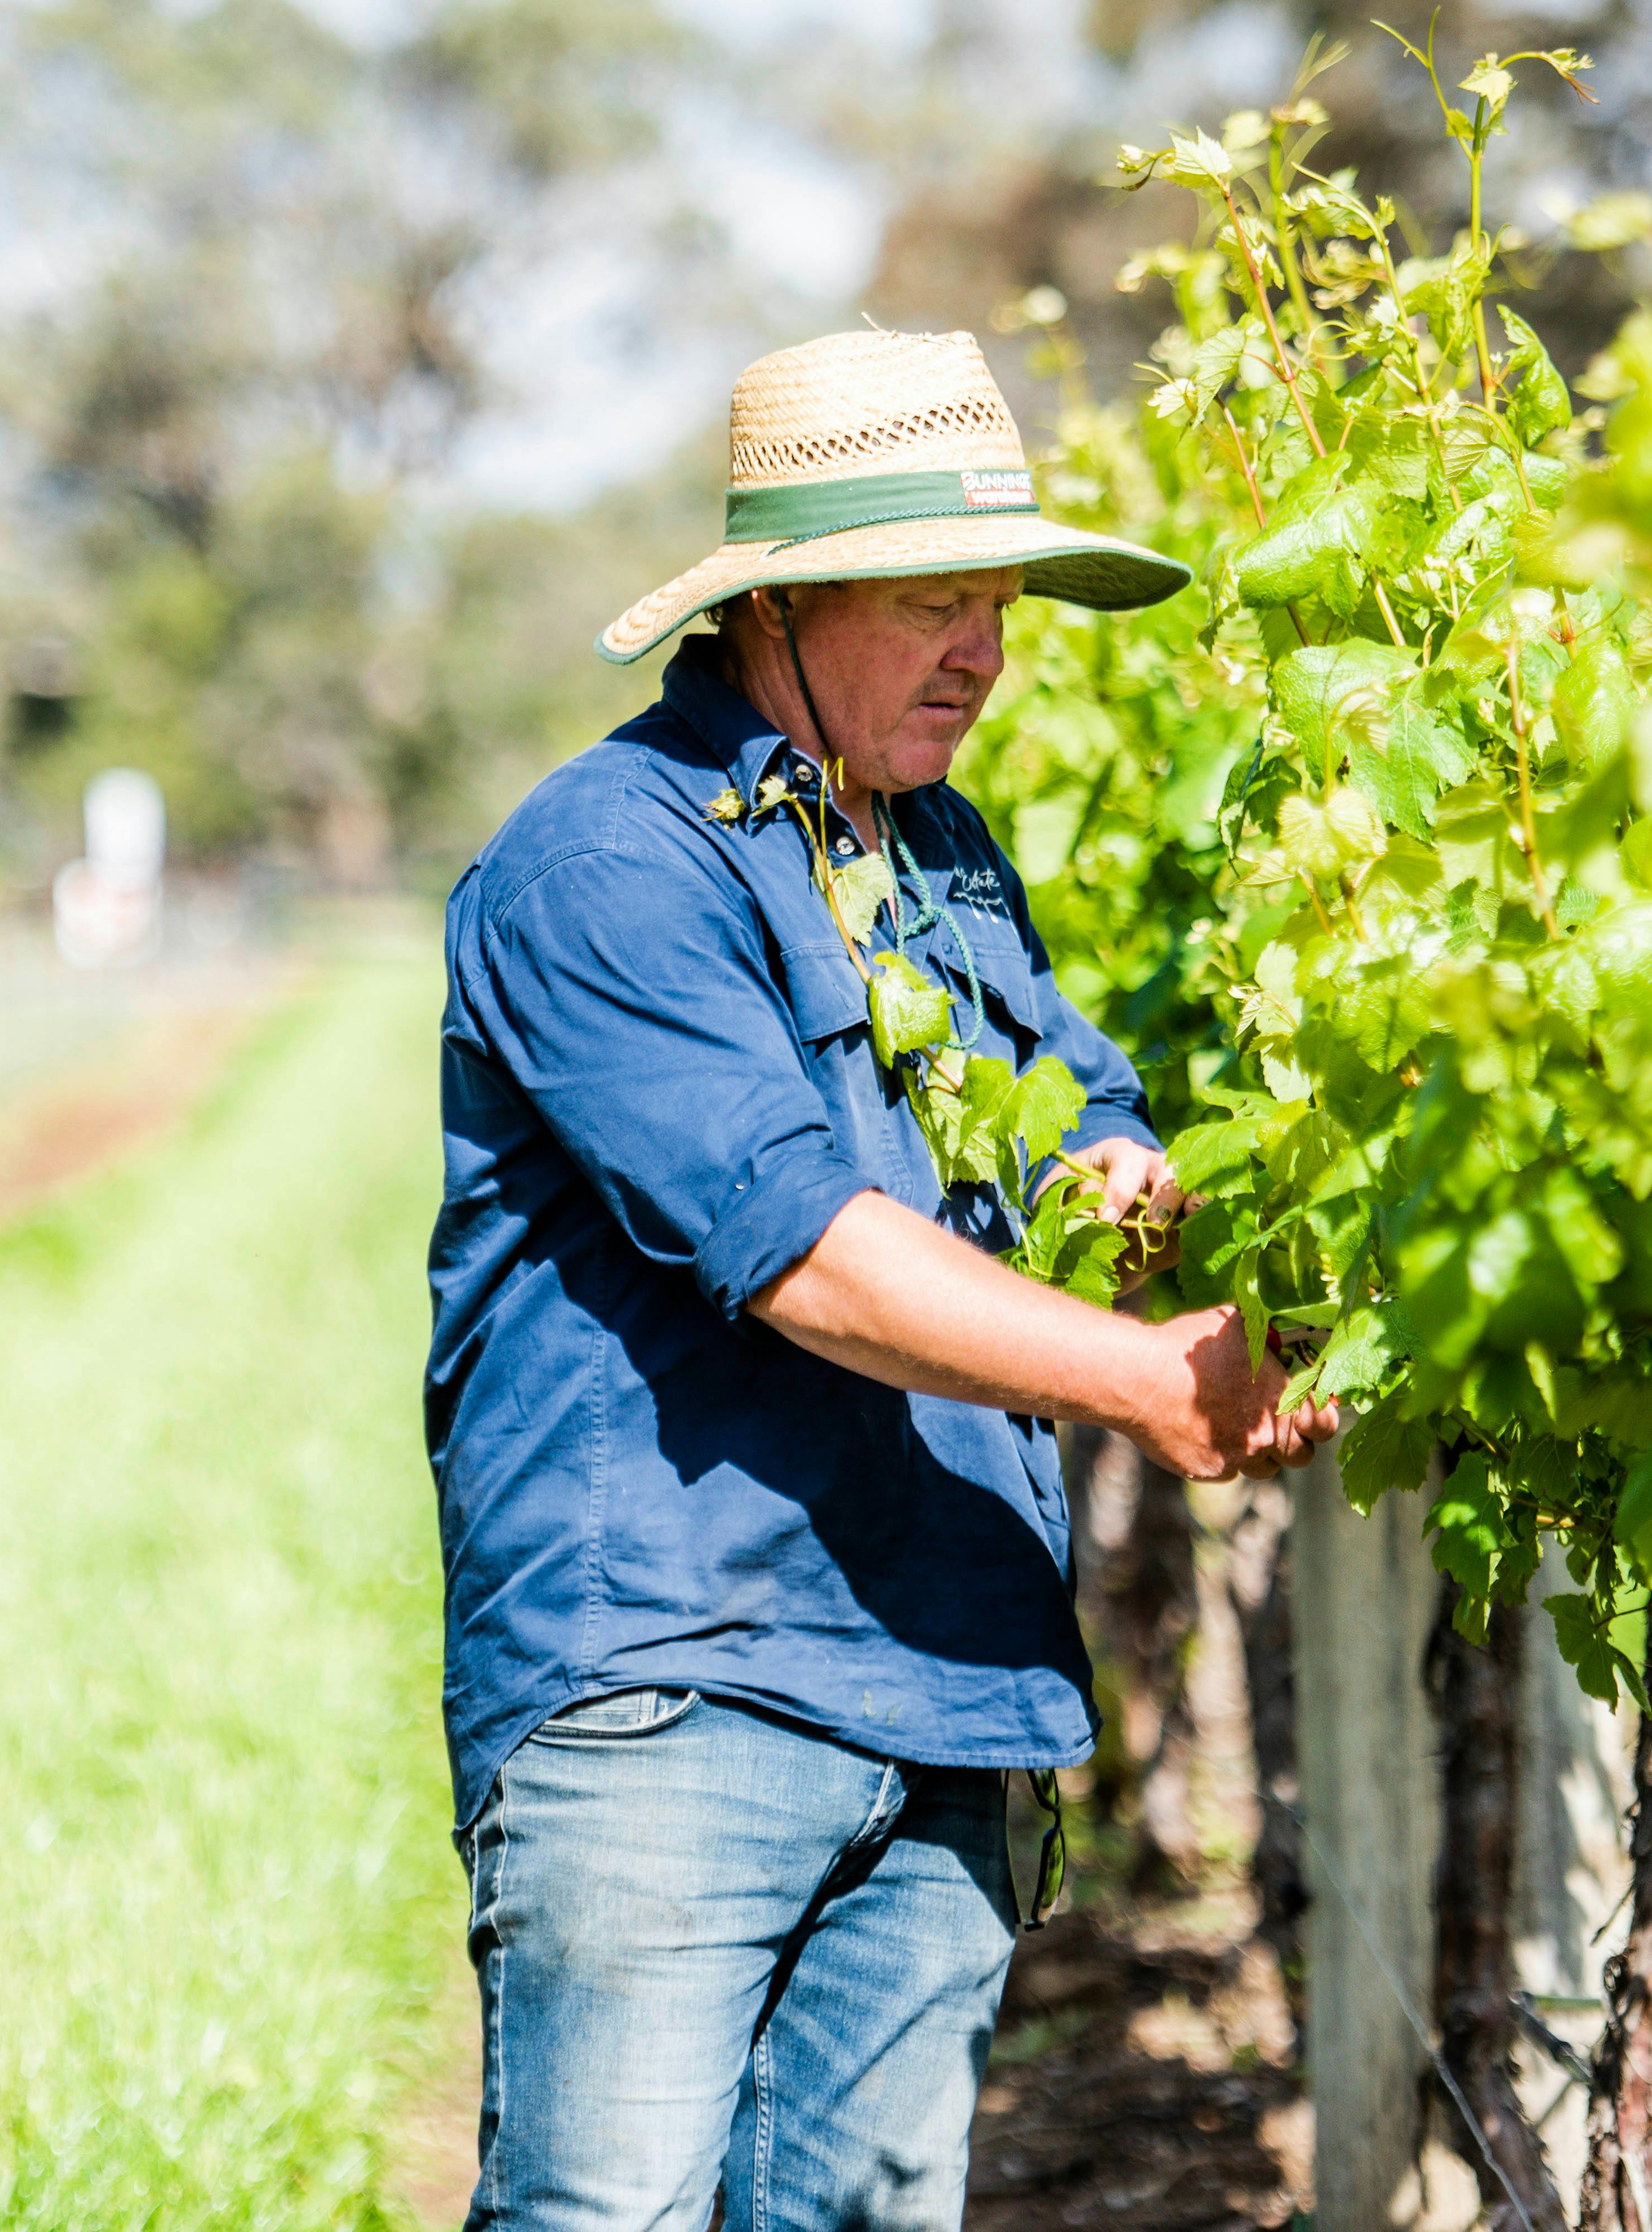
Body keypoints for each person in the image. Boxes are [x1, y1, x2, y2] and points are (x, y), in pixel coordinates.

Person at [427, 328, 1343, 2231]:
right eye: (936, 601)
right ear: (783, 606)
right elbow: (798, 1251)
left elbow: (1091, 1130)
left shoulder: (941, 859)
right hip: (677, 1688)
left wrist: (1260, 1226)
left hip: (949, 1689)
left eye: (1000, 607)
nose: (984, 654)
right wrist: (1153, 1382)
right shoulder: (608, 862)